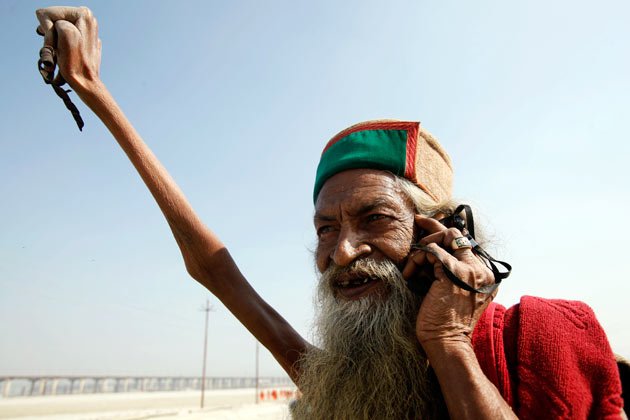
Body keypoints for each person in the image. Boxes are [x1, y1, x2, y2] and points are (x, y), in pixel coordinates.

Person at [34, 7, 624, 419]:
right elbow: (215, 269)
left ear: (441, 234)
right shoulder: (349, 386)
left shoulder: (545, 337)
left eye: (374, 220)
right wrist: (95, 92)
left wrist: (449, 345)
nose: (341, 252)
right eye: (325, 228)